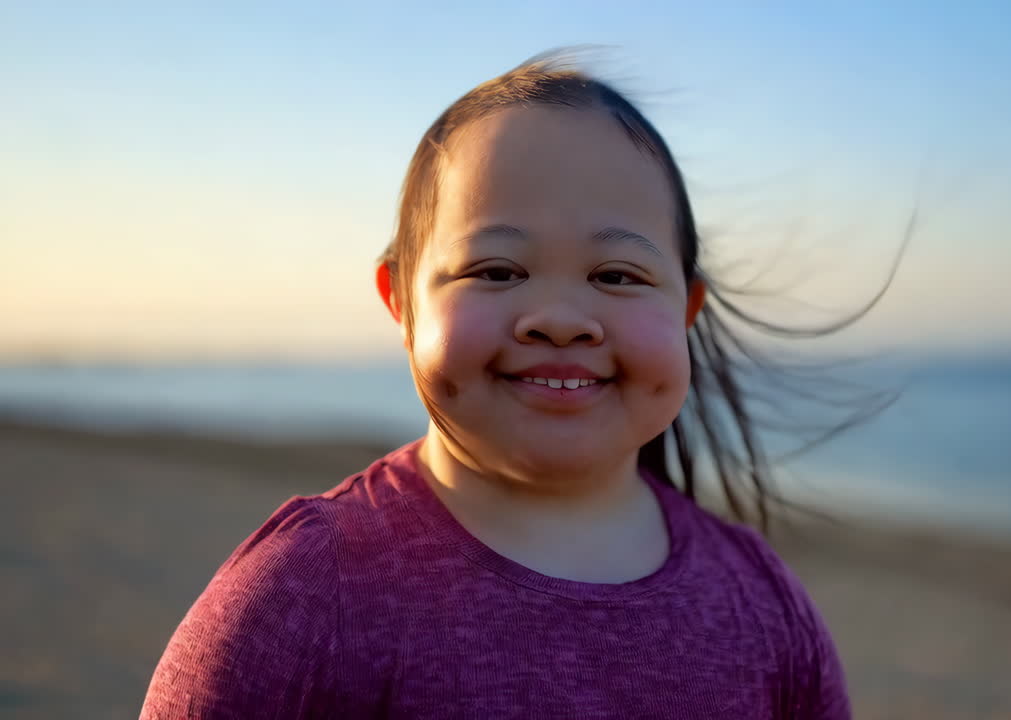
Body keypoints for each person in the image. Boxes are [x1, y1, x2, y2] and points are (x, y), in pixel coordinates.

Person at [140, 52, 853, 719]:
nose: (562, 322)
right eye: (497, 271)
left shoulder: (761, 607)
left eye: (617, 276)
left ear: (685, 312)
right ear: (401, 304)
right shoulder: (306, 590)